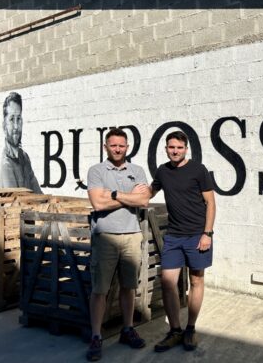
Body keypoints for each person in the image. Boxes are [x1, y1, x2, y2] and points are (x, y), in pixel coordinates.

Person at [85, 128, 151, 361]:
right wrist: (126, 195)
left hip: (132, 234)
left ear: (127, 146)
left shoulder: (137, 170)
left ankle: (127, 329)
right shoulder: (96, 171)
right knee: (100, 289)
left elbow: (143, 199)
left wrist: (112, 194)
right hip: (105, 236)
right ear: (106, 147)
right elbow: (97, 203)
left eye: (121, 145)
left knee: (128, 286)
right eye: (113, 145)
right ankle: (96, 336)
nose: (118, 149)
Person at [150, 130, 216, 352]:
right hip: (173, 236)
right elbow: (149, 192)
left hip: (198, 236)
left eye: (179, 147)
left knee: (196, 281)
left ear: (186, 148)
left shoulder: (198, 170)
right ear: (166, 148)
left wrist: (207, 233)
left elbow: (211, 203)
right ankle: (175, 331)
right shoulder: (163, 171)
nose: (175, 151)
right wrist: (128, 194)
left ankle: (190, 328)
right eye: (171, 147)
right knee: (168, 282)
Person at [0, 92, 42, 193]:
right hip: (18, 208)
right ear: (4, 126)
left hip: (28, 207)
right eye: (11, 119)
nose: (16, 126)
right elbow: (15, 203)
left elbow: (37, 192)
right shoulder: (6, 163)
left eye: (18, 119)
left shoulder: (24, 158)